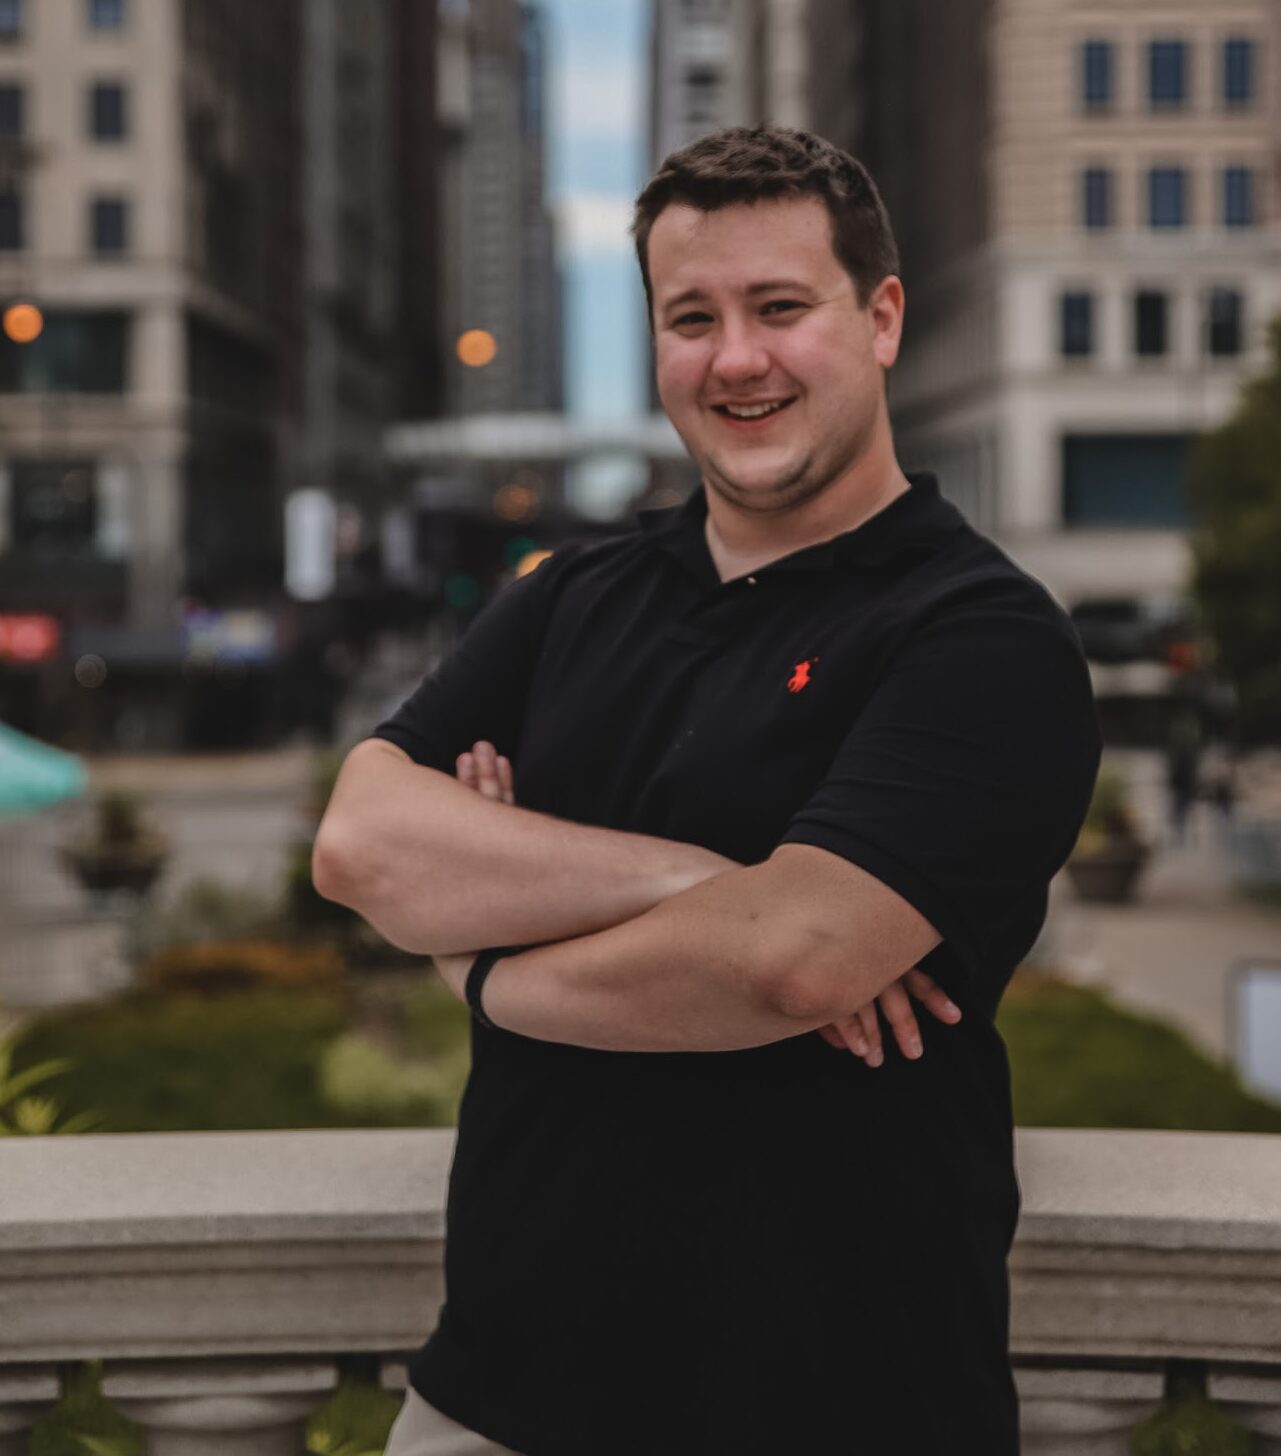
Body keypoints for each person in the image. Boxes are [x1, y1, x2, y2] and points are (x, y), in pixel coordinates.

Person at [314, 126, 1101, 1456]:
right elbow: (358, 844)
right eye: (692, 317)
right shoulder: (569, 595)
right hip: (490, 1404)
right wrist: (711, 884)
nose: (735, 358)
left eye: (779, 308)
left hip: (847, 1409)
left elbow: (791, 965)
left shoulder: (982, 637)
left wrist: (482, 964)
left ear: (881, 318)